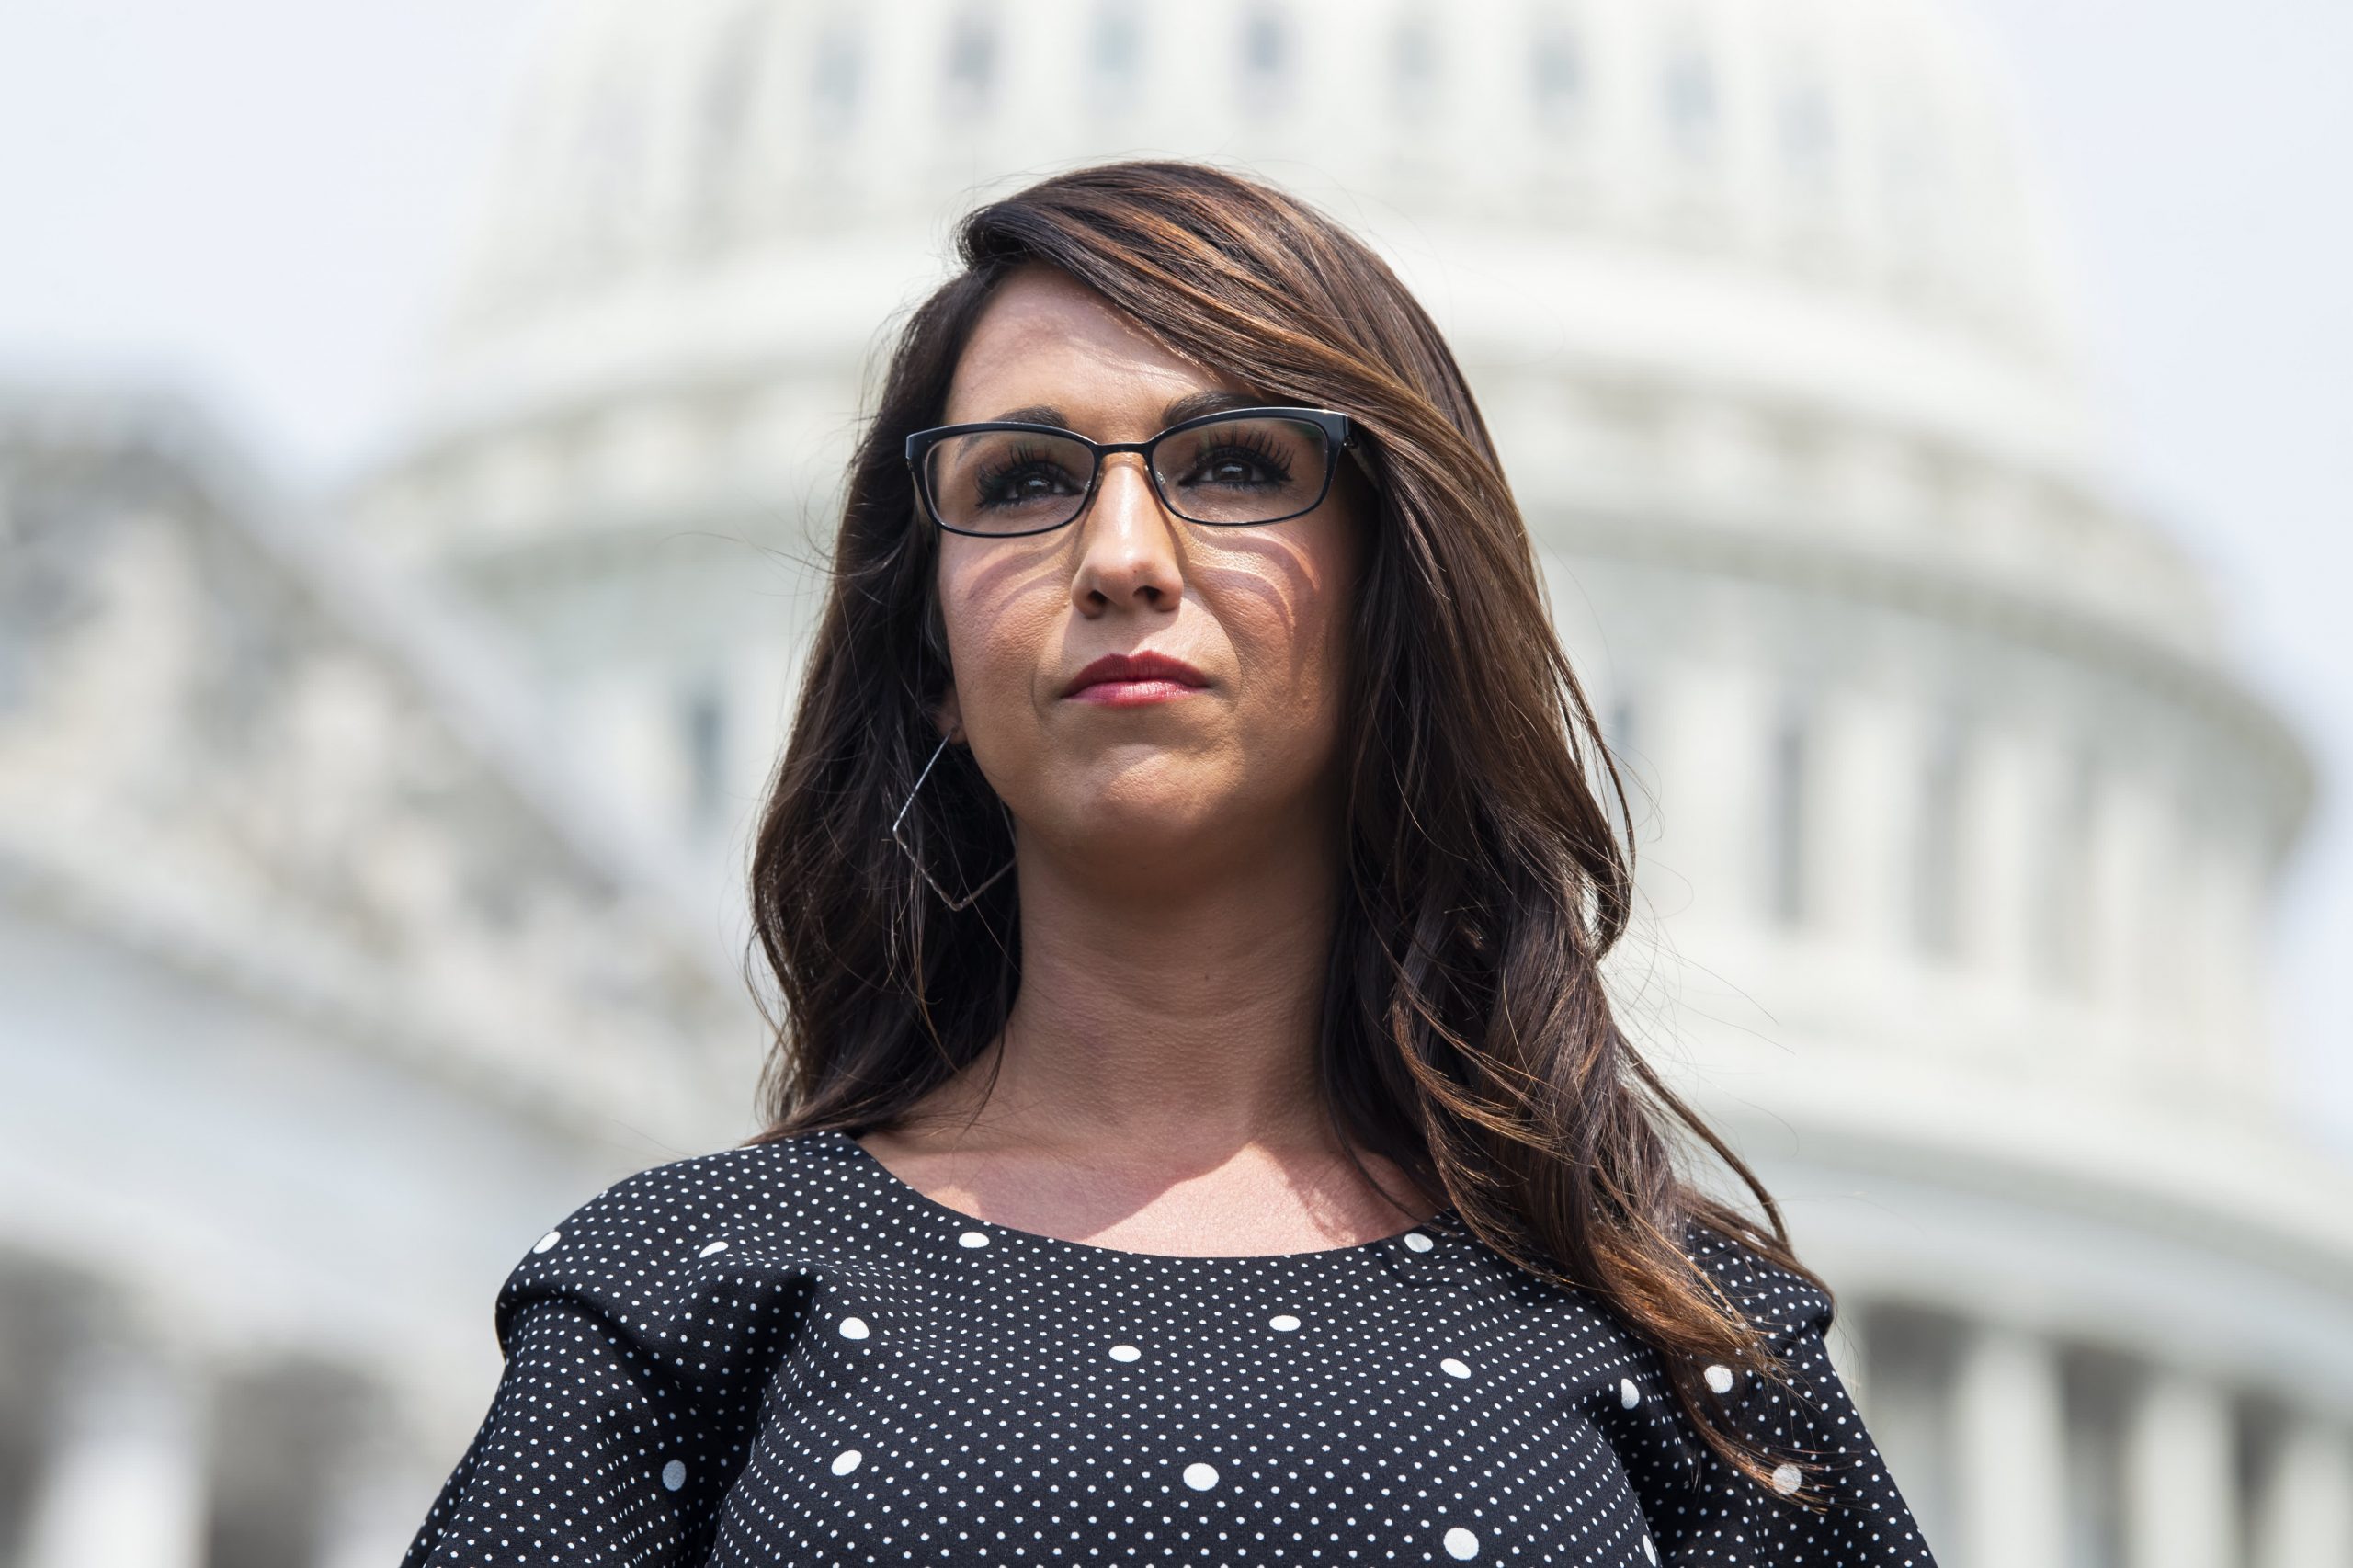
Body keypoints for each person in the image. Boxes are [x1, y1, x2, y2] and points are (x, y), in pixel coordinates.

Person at [401, 160, 1937, 1567]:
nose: (1124, 555)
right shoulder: (682, 1295)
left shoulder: (1682, 1344)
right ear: (931, 655)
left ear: (1392, 593)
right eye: (1022, 480)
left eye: (1235, 463)